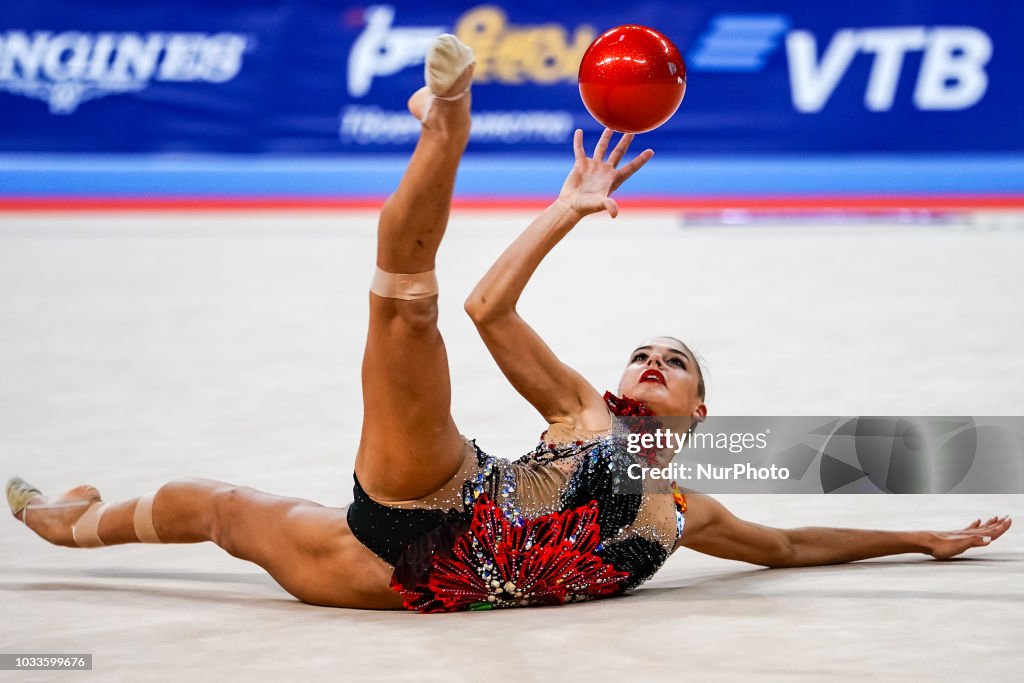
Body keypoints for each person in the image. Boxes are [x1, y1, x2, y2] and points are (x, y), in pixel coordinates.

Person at [6, 35, 1011, 613]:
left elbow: (789, 545)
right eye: (643, 352)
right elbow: (489, 307)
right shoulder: (582, 411)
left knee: (222, 506)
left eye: (676, 360)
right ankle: (447, 127)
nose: (651, 361)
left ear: (705, 410)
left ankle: (65, 515)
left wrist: (921, 537)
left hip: (387, 587)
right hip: (436, 502)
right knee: (409, 311)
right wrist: (563, 211)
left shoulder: (685, 512)